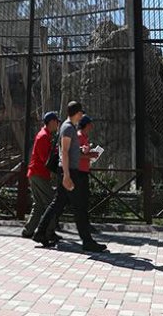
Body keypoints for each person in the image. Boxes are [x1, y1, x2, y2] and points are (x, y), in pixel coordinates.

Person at [32, 101, 107, 252]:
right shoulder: (67, 127)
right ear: (78, 113)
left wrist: (81, 149)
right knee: (79, 207)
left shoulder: (68, 127)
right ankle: (87, 241)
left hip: (68, 171)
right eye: (81, 113)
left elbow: (69, 149)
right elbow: (64, 152)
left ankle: (40, 232)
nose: (82, 116)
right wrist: (66, 175)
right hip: (69, 171)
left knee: (58, 203)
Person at [22, 112, 61, 240]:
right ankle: (48, 232)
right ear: (51, 122)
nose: (58, 124)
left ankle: (28, 230)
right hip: (39, 173)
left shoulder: (46, 135)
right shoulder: (44, 136)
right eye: (57, 121)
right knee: (50, 203)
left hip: (36, 173)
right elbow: (46, 158)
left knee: (38, 204)